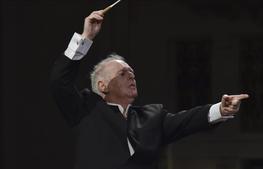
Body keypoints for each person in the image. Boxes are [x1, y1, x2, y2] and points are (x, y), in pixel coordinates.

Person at [50, 10, 249, 169]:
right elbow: (60, 81)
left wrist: (221, 110)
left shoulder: (152, 117)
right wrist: (86, 37)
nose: (131, 76)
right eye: (122, 74)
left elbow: (188, 120)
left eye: (132, 73)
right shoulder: (86, 108)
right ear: (102, 86)